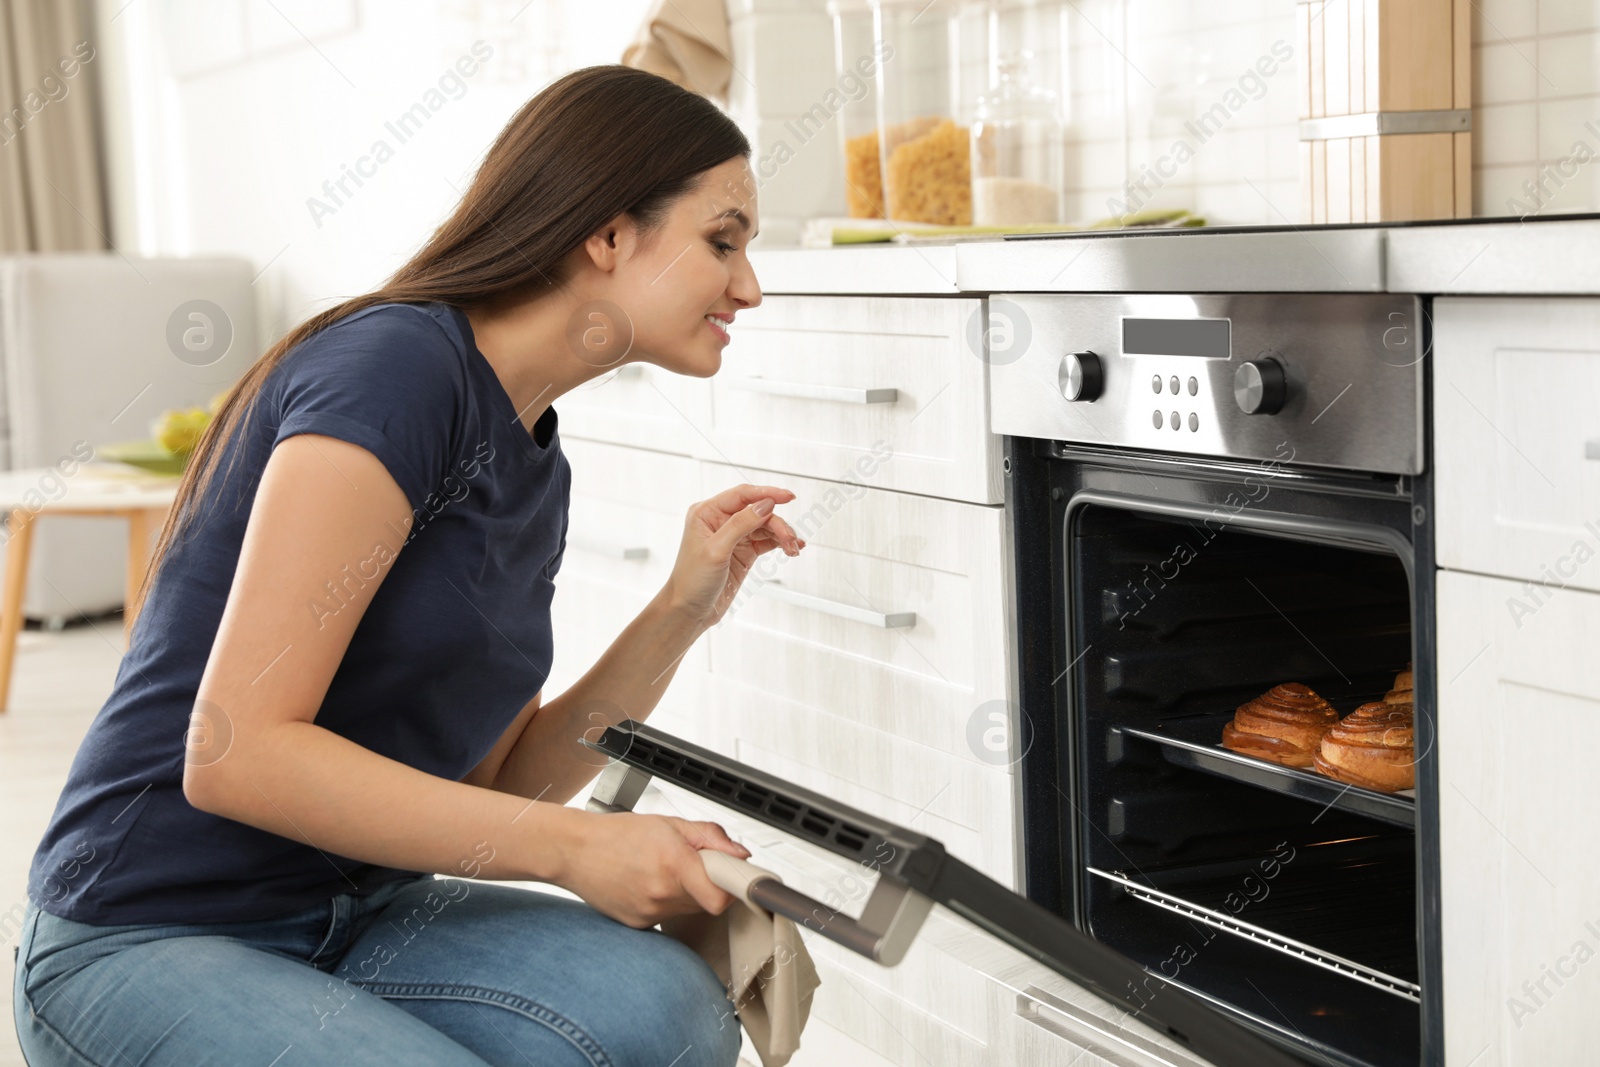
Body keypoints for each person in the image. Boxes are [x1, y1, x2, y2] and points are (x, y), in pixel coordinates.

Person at [13, 64, 805, 1067]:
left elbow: (497, 782)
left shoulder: (534, 457)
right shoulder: (394, 370)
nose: (749, 285)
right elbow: (235, 752)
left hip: (362, 908)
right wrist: (578, 853)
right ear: (608, 235)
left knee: (672, 1010)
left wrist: (682, 609)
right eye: (722, 240)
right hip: (147, 929)